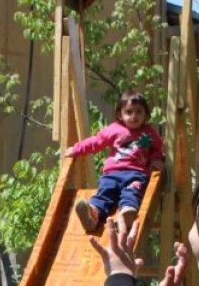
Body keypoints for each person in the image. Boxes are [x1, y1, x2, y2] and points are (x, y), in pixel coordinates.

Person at [67, 90, 164, 237]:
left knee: (132, 192)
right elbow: (95, 142)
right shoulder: (114, 129)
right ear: (120, 114)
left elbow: (157, 149)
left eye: (139, 112)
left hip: (136, 174)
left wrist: (156, 159)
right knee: (104, 194)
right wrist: (76, 149)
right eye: (129, 112)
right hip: (112, 174)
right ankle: (93, 215)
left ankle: (127, 213)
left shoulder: (149, 133)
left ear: (145, 114)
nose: (134, 116)